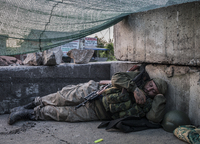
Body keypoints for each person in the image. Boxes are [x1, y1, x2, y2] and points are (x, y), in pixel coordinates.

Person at [7, 67, 168, 125]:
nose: (150, 90)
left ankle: (30, 114)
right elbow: (117, 77)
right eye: (151, 86)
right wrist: (134, 88)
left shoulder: (149, 103)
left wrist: (159, 98)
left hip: (98, 112)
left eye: (155, 91)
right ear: (149, 81)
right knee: (61, 97)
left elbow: (154, 118)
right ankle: (30, 104)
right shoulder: (137, 78)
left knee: (64, 114)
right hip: (95, 90)